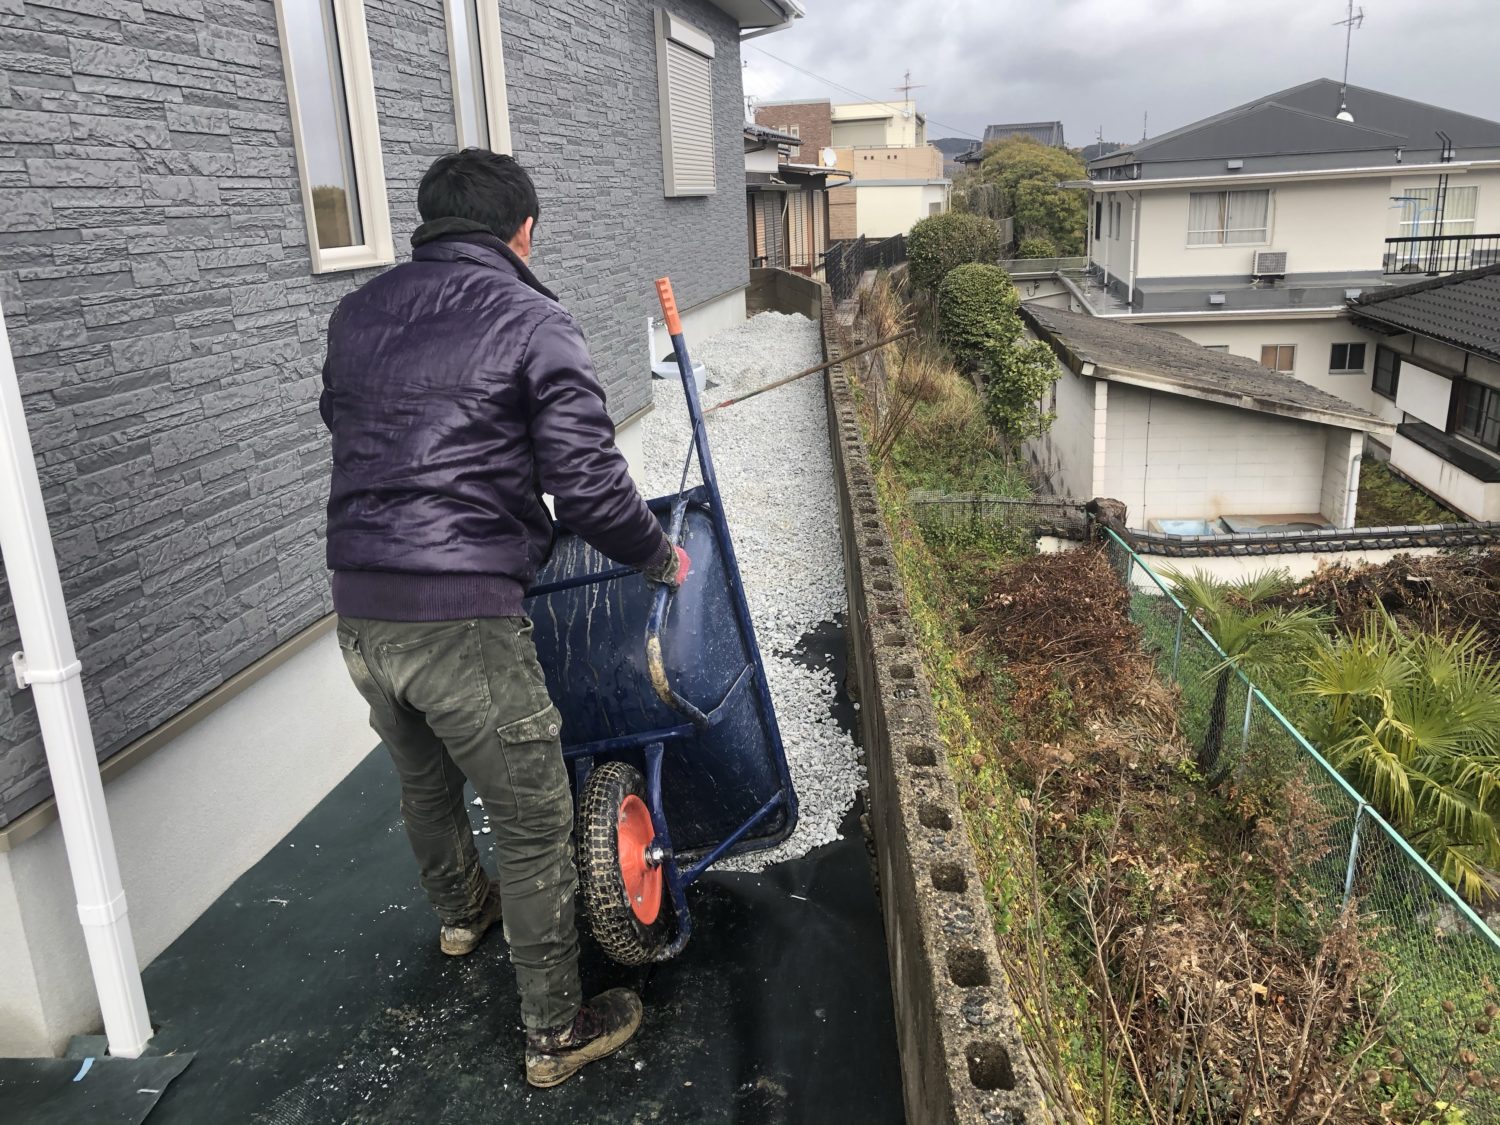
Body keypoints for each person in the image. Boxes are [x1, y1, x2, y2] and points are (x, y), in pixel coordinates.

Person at [319, 148, 689, 1089]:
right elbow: (592, 485)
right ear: (522, 231)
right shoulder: (534, 319)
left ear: (429, 223)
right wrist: (655, 551)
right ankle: (554, 1032)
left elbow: (348, 425)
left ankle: (462, 912)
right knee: (532, 816)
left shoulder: (356, 314)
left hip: (359, 606)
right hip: (462, 616)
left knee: (426, 778)